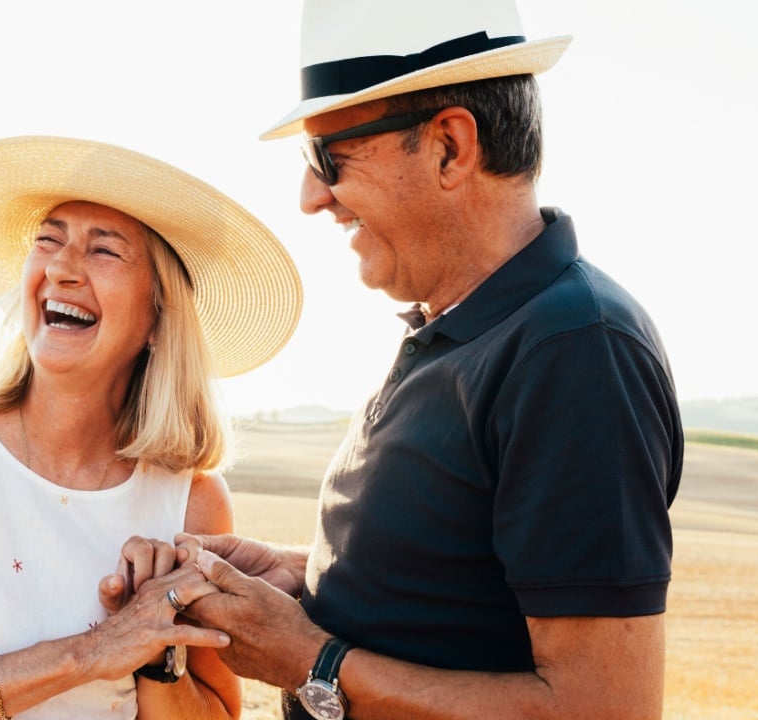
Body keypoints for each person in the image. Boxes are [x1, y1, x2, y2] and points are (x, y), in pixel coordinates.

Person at [177, 1, 683, 718]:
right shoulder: (475, 329)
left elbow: (604, 707)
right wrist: (305, 578)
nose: (310, 197)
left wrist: (309, 660)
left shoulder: (572, 348)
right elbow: (459, 596)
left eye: (330, 157)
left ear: (450, 146)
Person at [0, 136, 303, 719]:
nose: (60, 267)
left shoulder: (192, 502)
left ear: (158, 317)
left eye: (104, 251)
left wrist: (156, 655)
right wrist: (92, 651)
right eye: (48, 239)